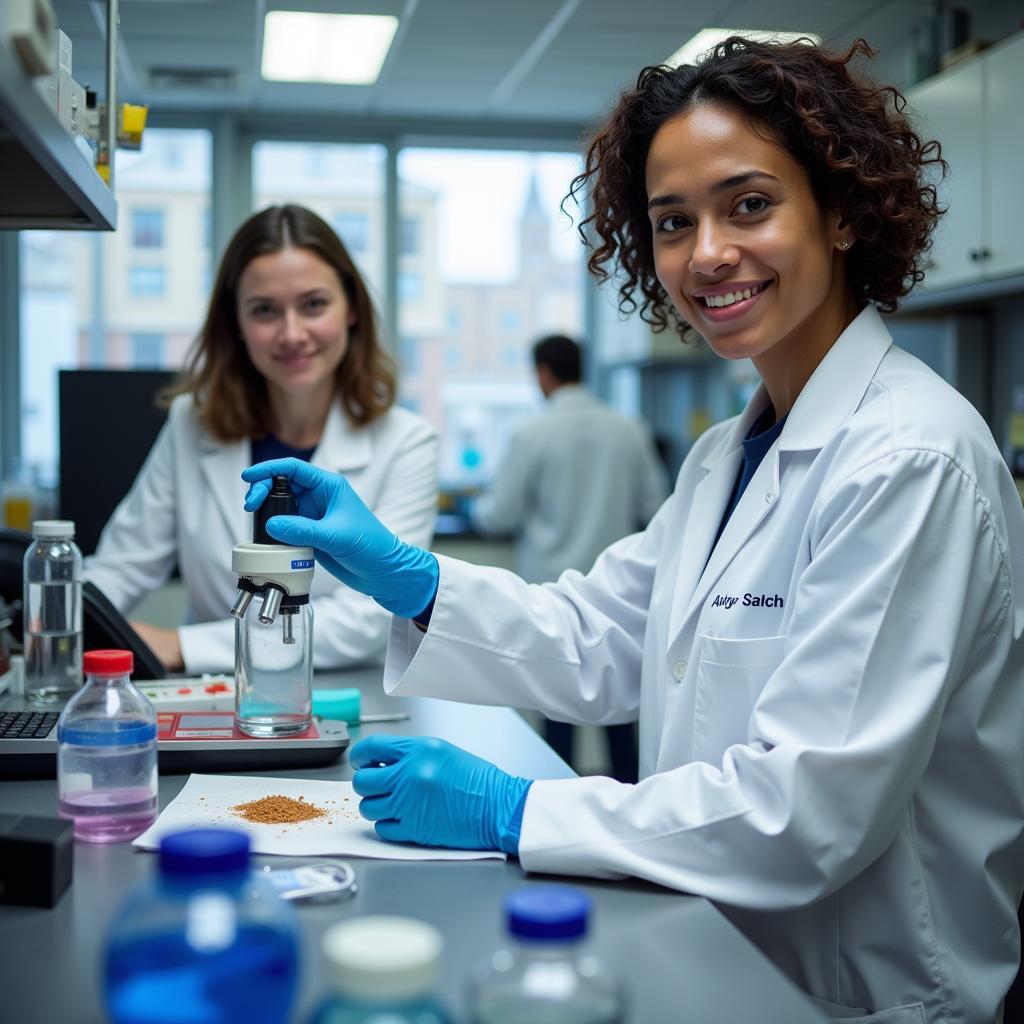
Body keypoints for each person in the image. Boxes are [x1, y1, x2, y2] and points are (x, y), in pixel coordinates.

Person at [242, 38, 1024, 1024]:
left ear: (838, 211)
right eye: (671, 221)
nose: (705, 254)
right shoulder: (722, 457)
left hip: (865, 992)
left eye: (749, 205)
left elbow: (804, 810)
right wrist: (412, 581)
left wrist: (519, 809)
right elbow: (602, 637)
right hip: (712, 947)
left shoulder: (910, 457)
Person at [85, 204, 438, 674]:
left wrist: (181, 645)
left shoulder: (407, 440)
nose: (292, 334)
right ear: (236, 323)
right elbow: (121, 566)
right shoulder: (192, 423)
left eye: (314, 304)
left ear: (351, 309)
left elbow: (373, 615)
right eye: (265, 310)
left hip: (351, 698)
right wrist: (49, 616)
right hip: (219, 698)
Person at [471, 333, 668, 780]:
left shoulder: (532, 434)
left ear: (543, 374)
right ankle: (628, 814)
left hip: (552, 598)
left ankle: (556, 817)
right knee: (623, 718)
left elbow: (497, 515)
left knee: (557, 720)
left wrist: (477, 506)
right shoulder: (629, 429)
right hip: (621, 598)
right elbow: (657, 507)